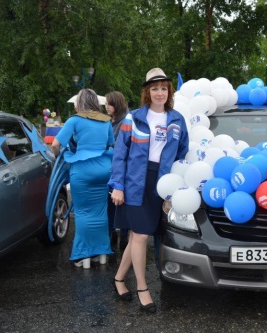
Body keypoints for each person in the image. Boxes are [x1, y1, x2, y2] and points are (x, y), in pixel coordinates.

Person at [109, 68, 189, 313]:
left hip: (161, 183)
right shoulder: (133, 119)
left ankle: (119, 278)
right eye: (154, 88)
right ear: (147, 92)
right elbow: (119, 156)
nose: (159, 93)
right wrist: (118, 186)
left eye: (164, 88)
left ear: (169, 91)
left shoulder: (177, 119)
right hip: (134, 183)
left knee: (136, 236)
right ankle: (143, 287)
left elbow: (182, 155)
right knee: (141, 236)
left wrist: (172, 191)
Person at [51, 89, 115, 269]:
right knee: (100, 212)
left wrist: (57, 158)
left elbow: (56, 144)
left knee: (83, 213)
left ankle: (84, 255)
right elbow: (110, 144)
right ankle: (101, 254)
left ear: (80, 103)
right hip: (103, 169)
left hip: (82, 170)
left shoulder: (74, 121)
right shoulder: (106, 121)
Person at [105, 91, 130, 250]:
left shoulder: (126, 122)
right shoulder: (111, 121)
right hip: (112, 167)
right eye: (106, 104)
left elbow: (122, 146)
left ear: (117, 104)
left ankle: (125, 237)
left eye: (109, 104)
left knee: (123, 204)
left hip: (124, 168)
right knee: (111, 203)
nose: (106, 107)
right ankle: (113, 233)